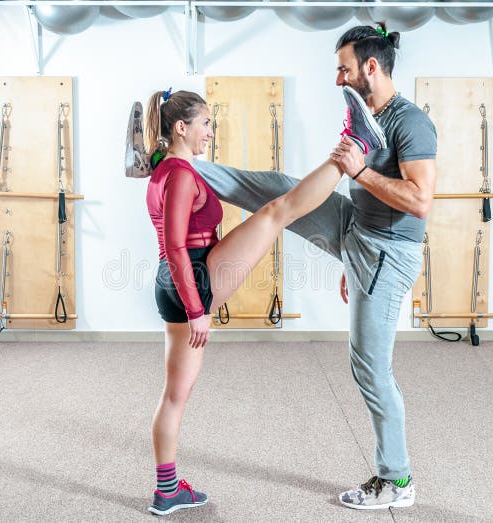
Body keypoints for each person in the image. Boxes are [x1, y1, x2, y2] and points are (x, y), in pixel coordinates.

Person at [189, 25, 438, 510]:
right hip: (358, 231)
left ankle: (398, 482)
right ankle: (181, 166)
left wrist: (361, 172)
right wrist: (349, 252)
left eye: (344, 67)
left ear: (371, 66)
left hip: (385, 250)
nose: (338, 77)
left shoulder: (411, 123)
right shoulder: (372, 115)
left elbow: (420, 201)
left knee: (370, 369)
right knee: (281, 189)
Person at [142, 85, 386, 515]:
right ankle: (356, 144)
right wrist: (198, 311)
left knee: (176, 393)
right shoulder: (179, 174)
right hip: (193, 277)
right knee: (278, 210)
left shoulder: (163, 168)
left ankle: (167, 490)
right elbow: (177, 247)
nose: (210, 133)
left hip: (176, 282)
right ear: (180, 127)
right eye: (205, 124)